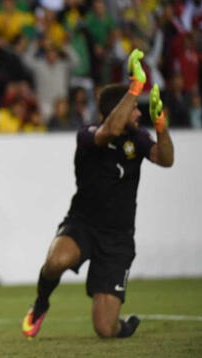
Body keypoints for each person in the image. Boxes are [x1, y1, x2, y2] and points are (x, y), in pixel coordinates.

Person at [21, 49, 174, 339]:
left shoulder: (138, 139)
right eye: (134, 108)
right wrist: (134, 87)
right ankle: (41, 303)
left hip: (118, 237)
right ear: (118, 110)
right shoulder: (88, 133)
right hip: (83, 223)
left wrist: (161, 126)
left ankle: (123, 326)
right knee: (56, 262)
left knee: (105, 329)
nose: (138, 112)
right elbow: (109, 130)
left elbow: (166, 159)